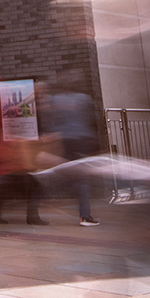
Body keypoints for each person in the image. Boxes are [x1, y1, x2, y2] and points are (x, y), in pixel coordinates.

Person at [38, 77, 101, 226]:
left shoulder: (56, 100)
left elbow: (50, 121)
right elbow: (92, 120)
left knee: (64, 167)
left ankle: (46, 178)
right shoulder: (84, 99)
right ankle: (85, 216)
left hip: (63, 140)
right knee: (82, 178)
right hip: (80, 140)